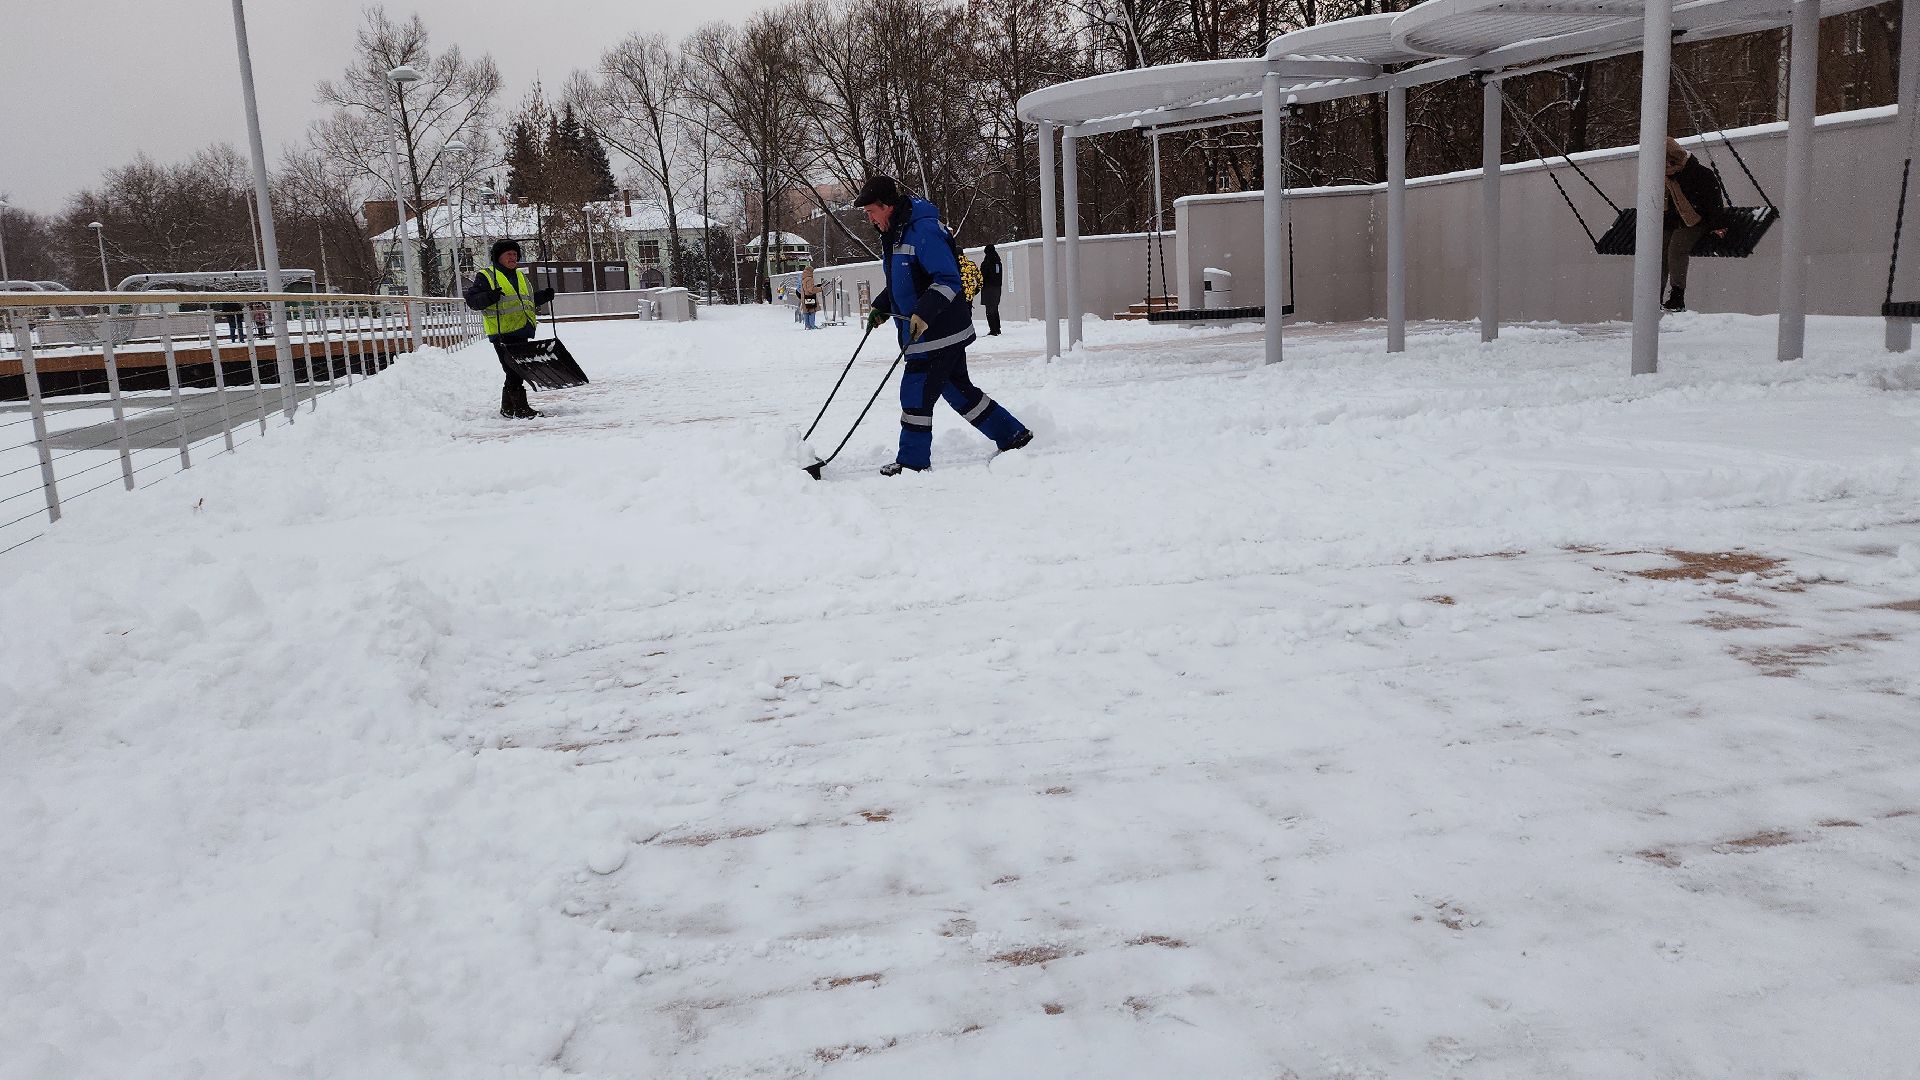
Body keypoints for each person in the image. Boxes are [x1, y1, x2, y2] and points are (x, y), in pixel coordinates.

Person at [854, 175, 1032, 475]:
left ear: (886, 206)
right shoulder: (898, 232)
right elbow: (908, 281)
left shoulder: (922, 230)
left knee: (915, 392)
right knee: (958, 391)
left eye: (871, 211)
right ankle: (1011, 434)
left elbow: (947, 279)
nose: (870, 219)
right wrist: (882, 307)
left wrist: (923, 314)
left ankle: (912, 463)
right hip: (930, 332)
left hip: (938, 332)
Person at [463, 237, 556, 419]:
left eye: (515, 254)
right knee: (514, 369)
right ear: (499, 257)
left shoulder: (520, 276)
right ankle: (520, 408)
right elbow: (473, 301)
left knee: (514, 369)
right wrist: (490, 296)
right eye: (509, 254)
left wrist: (544, 296)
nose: (513, 258)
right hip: (502, 332)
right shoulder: (487, 276)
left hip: (522, 329)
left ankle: (508, 408)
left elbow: (526, 301)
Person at [1661, 137, 1726, 313]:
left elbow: (1714, 202)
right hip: (1674, 221)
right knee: (1659, 249)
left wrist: (1717, 226)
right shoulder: (1666, 177)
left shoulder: (1699, 174)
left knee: (1676, 249)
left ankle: (1677, 296)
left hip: (1697, 221)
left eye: (1666, 165)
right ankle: (1654, 293)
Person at [980, 242, 1003, 336]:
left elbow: (982, 275)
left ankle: (993, 329)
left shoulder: (987, 262)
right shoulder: (998, 262)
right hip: (997, 288)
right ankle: (997, 328)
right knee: (995, 308)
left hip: (988, 288)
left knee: (989, 310)